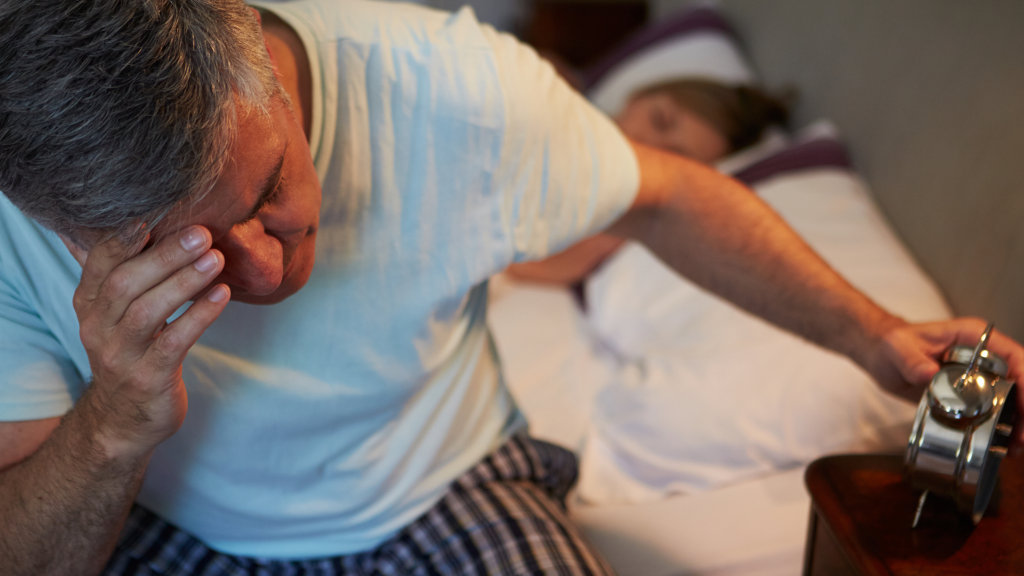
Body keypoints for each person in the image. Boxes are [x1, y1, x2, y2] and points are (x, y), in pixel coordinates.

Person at [0, 2, 1020, 576]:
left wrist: (874, 337)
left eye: (270, 190)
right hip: (175, 527)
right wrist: (113, 425)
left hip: (443, 482)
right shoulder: (12, 222)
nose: (262, 272)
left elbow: (665, 196)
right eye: (170, 255)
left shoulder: (451, 89)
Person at [508, 77, 791, 283]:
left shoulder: (609, 226)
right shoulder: (543, 94)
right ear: (641, 94)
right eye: (660, 120)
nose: (646, 144)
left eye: (671, 157)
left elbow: (519, 260)